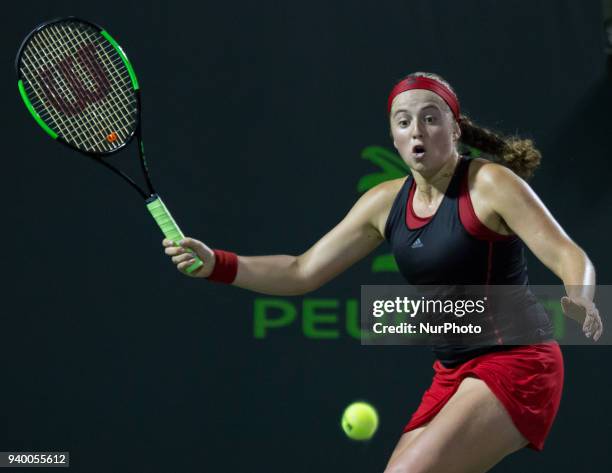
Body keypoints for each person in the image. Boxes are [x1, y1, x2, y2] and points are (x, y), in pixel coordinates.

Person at [162, 72, 603, 472]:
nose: (417, 131)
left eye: (430, 119)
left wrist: (580, 296)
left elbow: (568, 254)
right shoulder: (383, 202)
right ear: (393, 136)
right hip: (453, 372)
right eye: (404, 121)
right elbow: (301, 271)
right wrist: (217, 264)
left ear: (455, 128)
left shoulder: (489, 184)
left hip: (518, 361)